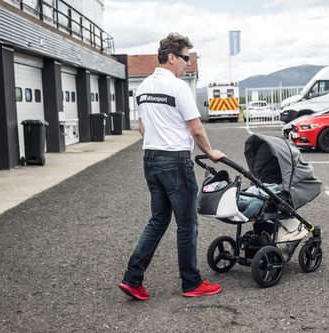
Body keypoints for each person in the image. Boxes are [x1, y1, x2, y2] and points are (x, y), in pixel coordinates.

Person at [119, 33, 225, 301]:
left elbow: (142, 125)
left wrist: (158, 142)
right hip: (175, 161)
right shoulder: (178, 88)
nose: (188, 63)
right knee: (187, 224)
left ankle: (133, 279)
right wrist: (210, 152)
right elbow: (196, 128)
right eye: (185, 58)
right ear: (171, 57)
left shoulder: (143, 87)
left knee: (158, 220)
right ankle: (191, 283)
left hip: (151, 159)